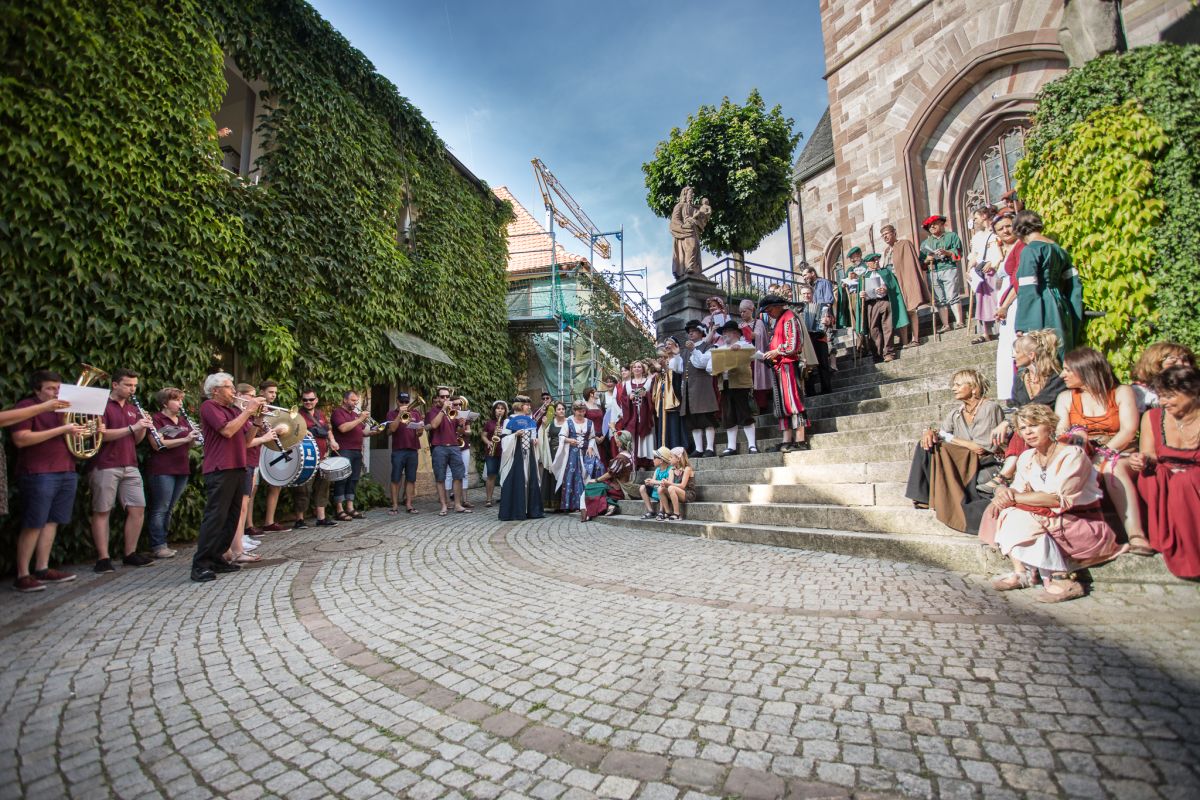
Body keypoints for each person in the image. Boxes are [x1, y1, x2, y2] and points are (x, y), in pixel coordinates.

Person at [980, 403, 1125, 602]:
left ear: (1049, 425)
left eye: (1034, 425)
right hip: (1046, 516)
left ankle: (1059, 577)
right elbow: (1019, 489)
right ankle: (1022, 571)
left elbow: (1058, 499)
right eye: (1023, 428)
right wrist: (1004, 493)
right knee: (1001, 509)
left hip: (1077, 521)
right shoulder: (1026, 457)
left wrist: (1012, 497)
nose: (1028, 432)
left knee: (1017, 512)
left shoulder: (1072, 455)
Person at [1054, 347, 1150, 554]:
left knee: (1112, 469)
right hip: (1082, 449)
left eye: (1068, 370)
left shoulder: (1121, 392)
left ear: (1086, 370)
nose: (1062, 375)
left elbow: (1128, 430)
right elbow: (1060, 432)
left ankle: (1136, 535)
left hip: (1120, 449)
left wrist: (1103, 452)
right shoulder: (1066, 398)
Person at [7, 371, 82, 592]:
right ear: (37, 390)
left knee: (52, 522)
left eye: (58, 388)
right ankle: (23, 574)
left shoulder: (64, 410)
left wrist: (78, 433)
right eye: (50, 388)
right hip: (38, 472)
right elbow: (21, 439)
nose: (56, 392)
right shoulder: (26, 406)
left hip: (66, 469)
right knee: (34, 523)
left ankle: (42, 568)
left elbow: (71, 435)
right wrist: (63, 429)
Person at [905, 369, 1005, 532]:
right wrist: (929, 432)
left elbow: (981, 448)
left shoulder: (989, 408)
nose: (953, 388)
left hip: (984, 464)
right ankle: (922, 497)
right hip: (962, 462)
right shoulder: (956, 414)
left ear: (974, 388)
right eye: (954, 385)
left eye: (958, 384)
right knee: (927, 443)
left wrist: (947, 437)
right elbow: (941, 433)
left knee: (942, 446)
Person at [191, 373, 264, 583]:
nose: (233, 391)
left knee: (231, 517)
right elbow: (227, 431)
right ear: (215, 391)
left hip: (239, 465)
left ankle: (218, 557)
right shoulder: (209, 407)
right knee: (216, 516)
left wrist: (257, 420)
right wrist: (248, 410)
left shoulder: (234, 409)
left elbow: (248, 439)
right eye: (229, 387)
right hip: (220, 467)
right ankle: (200, 564)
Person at [1133, 366, 1200, 578]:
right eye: (1161, 396)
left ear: (1193, 392)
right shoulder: (1153, 417)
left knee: (1185, 483)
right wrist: (1141, 459)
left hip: (1195, 478)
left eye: (1170, 396)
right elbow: (1149, 453)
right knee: (1152, 476)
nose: (1164, 402)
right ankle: (1164, 538)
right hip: (1166, 476)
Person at [984, 329, 1067, 492]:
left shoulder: (1056, 378)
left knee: (1025, 427)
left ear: (1031, 355)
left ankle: (1006, 474)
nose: (1013, 356)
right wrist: (1005, 422)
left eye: (1017, 352)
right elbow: (1014, 406)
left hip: (1050, 427)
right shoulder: (1021, 378)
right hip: (1026, 427)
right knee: (1023, 427)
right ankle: (1010, 473)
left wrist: (1010, 421)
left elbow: (1039, 408)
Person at [89, 368, 155, 572]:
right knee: (102, 510)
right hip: (105, 463)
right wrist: (132, 428)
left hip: (130, 464)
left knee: (138, 508)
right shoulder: (100, 406)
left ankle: (130, 553)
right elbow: (100, 436)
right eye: (128, 385)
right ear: (115, 384)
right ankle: (103, 558)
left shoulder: (133, 408)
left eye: (135, 385)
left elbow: (136, 440)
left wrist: (143, 426)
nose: (132, 389)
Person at [1012, 210, 1083, 356]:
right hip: (1062, 306)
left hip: (1043, 308)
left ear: (1019, 231)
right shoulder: (1060, 250)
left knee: (1045, 356)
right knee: (1062, 351)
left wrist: (1023, 324)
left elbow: (1028, 290)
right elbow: (1074, 286)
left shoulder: (1030, 251)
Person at [145, 387, 199, 559]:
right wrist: (184, 438)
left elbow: (188, 445)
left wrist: (193, 439)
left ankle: (164, 542)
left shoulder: (183, 420)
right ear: (165, 402)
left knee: (169, 508)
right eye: (176, 400)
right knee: (160, 507)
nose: (180, 403)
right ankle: (158, 545)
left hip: (181, 467)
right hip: (162, 468)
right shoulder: (157, 419)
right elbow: (157, 444)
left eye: (181, 400)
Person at [759, 295, 816, 452]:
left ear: (778, 306)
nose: (768, 313)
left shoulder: (789, 316)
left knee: (794, 402)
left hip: (789, 365)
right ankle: (786, 440)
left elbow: (794, 344)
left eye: (769, 310)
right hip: (780, 366)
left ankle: (800, 439)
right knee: (782, 405)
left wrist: (776, 351)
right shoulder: (779, 320)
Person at [697, 319, 759, 456]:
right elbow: (709, 367)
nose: (725, 335)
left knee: (745, 415)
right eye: (723, 333)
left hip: (741, 385)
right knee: (728, 417)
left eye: (727, 332)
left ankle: (752, 445)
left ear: (736, 333)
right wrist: (718, 368)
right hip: (725, 386)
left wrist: (739, 350)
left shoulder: (745, 345)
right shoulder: (719, 349)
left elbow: (754, 354)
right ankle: (731, 447)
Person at [988, 211, 1023, 401]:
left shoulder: (1020, 247)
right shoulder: (1005, 250)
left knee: (1014, 345)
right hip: (1005, 299)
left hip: (1014, 300)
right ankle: (1011, 392)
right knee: (1007, 346)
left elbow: (1018, 280)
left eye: (1008, 226)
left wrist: (1005, 306)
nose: (1005, 230)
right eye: (1001, 229)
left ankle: (1018, 391)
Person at [880, 224, 932, 348]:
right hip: (894, 285)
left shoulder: (905, 244)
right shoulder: (886, 251)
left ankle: (915, 338)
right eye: (882, 235)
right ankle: (904, 341)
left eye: (887, 233)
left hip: (906, 280)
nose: (885, 237)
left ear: (894, 232)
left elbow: (911, 264)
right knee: (900, 311)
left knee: (911, 310)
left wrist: (911, 281)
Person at [332, 391, 381, 521]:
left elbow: (362, 432)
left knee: (353, 479)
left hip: (356, 451)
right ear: (344, 400)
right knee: (341, 479)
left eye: (356, 401)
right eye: (353, 400)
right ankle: (339, 509)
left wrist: (373, 432)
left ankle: (350, 507)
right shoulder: (338, 413)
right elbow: (343, 428)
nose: (355, 403)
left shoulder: (354, 415)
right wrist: (360, 418)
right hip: (343, 451)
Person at [294, 389, 338, 528]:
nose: (308, 402)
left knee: (323, 486)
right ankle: (299, 519)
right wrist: (302, 431)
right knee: (303, 488)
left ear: (316, 400)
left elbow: (328, 429)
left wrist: (332, 440)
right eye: (305, 400)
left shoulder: (320, 414)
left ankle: (321, 518)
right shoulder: (297, 415)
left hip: (323, 456)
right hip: (307, 457)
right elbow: (291, 431)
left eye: (311, 399)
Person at [553, 401, 602, 516]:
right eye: (579, 411)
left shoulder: (590, 423)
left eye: (583, 411)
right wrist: (570, 440)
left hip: (586, 453)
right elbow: (561, 436)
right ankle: (572, 504)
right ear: (574, 411)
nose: (582, 413)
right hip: (573, 454)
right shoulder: (568, 422)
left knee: (587, 474)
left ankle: (587, 503)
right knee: (573, 476)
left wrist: (590, 447)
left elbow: (592, 437)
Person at [498, 396, 543, 521]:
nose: (529, 407)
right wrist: (514, 435)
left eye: (529, 405)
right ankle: (516, 511)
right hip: (515, 455)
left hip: (529, 455)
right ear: (519, 405)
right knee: (517, 480)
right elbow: (504, 440)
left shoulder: (530, 420)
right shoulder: (509, 420)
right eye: (526, 405)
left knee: (530, 479)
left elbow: (533, 434)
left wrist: (535, 440)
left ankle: (532, 511)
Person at [855, 253, 907, 363]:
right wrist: (861, 295)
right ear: (867, 263)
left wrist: (886, 289)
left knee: (888, 328)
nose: (876, 262)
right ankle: (877, 354)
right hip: (871, 304)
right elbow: (860, 294)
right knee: (873, 329)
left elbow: (893, 286)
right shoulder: (864, 277)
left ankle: (889, 353)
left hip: (885, 301)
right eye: (873, 261)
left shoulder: (885, 272)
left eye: (877, 260)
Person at [427, 387, 470, 516]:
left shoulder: (454, 412)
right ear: (437, 398)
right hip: (439, 446)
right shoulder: (433, 411)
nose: (445, 399)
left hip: (454, 446)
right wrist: (443, 410)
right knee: (440, 477)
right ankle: (444, 505)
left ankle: (457, 504)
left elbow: (460, 431)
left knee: (458, 475)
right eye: (442, 397)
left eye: (447, 397)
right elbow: (433, 425)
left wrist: (462, 424)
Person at [966, 205, 1005, 344]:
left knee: (997, 300)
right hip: (981, 273)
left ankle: (1002, 330)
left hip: (994, 270)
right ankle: (985, 333)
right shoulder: (977, 236)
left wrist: (993, 264)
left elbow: (1000, 252)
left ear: (984, 216)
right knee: (982, 302)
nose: (974, 221)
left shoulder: (996, 232)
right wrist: (969, 266)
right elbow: (975, 254)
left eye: (976, 218)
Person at [919, 214, 964, 333]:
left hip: (948, 268)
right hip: (933, 272)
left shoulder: (951, 236)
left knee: (952, 296)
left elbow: (959, 252)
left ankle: (959, 321)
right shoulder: (925, 244)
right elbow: (921, 262)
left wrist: (947, 252)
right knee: (939, 300)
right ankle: (946, 324)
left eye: (934, 223)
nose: (932, 226)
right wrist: (927, 259)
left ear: (941, 224)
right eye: (929, 225)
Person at [679, 320, 719, 457]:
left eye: (694, 331)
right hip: (689, 390)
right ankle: (699, 449)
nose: (690, 333)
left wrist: (693, 350)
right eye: (689, 331)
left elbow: (702, 364)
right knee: (693, 422)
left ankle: (710, 448)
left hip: (703, 388)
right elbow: (680, 369)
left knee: (706, 419)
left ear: (701, 332)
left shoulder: (709, 347)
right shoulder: (685, 351)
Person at [254, 380, 289, 533]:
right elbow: (254, 430)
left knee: (276, 484)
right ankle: (249, 526)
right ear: (261, 392)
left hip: (271, 450)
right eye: (270, 392)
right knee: (252, 488)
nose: (274, 395)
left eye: (275, 392)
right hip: (257, 449)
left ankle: (269, 522)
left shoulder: (275, 409)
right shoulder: (253, 406)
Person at [385, 392, 424, 514]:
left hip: (412, 449)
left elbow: (419, 433)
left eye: (406, 402)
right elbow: (391, 429)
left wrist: (419, 429)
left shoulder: (416, 413)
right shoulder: (391, 413)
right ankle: (395, 505)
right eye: (402, 401)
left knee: (411, 478)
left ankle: (409, 504)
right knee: (396, 478)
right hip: (398, 450)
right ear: (397, 401)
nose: (404, 404)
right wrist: (400, 416)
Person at [1130, 342, 1195, 414]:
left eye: (1185, 359)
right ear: (1155, 364)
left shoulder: (1195, 387)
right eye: (1173, 360)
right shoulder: (1140, 392)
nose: (1180, 364)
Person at [585, 430, 635, 520]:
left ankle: (597, 510)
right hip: (623, 484)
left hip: (619, 488)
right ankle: (610, 504)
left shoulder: (621, 458)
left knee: (591, 487)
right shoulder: (630, 454)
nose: (616, 442)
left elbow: (610, 474)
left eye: (617, 441)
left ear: (620, 442)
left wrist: (596, 480)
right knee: (598, 487)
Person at [616, 360, 656, 468]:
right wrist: (629, 398)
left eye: (639, 367)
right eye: (635, 367)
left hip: (644, 415)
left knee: (645, 437)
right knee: (632, 437)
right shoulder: (628, 384)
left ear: (643, 369)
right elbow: (623, 399)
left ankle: (645, 463)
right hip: (632, 415)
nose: (637, 369)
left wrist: (646, 395)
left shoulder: (648, 382)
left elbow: (654, 397)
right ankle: (634, 463)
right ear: (632, 370)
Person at [798, 284, 834, 395]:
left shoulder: (822, 306)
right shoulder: (798, 309)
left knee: (823, 364)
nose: (806, 295)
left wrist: (828, 321)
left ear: (812, 294)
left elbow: (831, 320)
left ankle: (826, 389)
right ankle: (810, 391)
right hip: (806, 339)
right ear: (801, 295)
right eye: (804, 293)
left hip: (820, 337)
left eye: (808, 293)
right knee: (808, 365)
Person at [669, 187, 712, 278]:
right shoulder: (679, 206)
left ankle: (694, 270)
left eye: (693, 194)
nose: (692, 195)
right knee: (691, 247)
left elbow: (702, 220)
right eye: (690, 193)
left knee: (695, 249)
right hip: (686, 230)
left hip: (694, 230)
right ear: (685, 194)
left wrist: (704, 215)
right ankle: (688, 268)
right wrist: (683, 226)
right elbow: (674, 221)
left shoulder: (694, 208)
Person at [738, 299, 773, 409]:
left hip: (756, 357)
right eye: (740, 312)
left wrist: (745, 329)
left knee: (758, 381)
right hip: (745, 358)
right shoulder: (741, 325)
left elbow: (757, 336)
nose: (742, 314)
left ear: (751, 310)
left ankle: (762, 405)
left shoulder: (758, 322)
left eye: (744, 311)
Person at [651, 341, 685, 450]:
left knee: (673, 423)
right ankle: (664, 448)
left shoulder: (677, 360)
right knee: (663, 424)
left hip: (672, 397)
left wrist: (664, 367)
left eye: (670, 344)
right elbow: (662, 380)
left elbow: (676, 376)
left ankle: (675, 447)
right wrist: (659, 371)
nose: (667, 346)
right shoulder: (665, 364)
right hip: (663, 397)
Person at [539, 402, 567, 512]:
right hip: (552, 452)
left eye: (563, 409)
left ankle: (564, 503)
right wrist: (543, 425)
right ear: (555, 411)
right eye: (559, 409)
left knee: (563, 475)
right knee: (552, 475)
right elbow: (544, 435)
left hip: (564, 451)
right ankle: (553, 504)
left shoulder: (568, 422)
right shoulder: (552, 423)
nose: (561, 411)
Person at [660, 447, 696, 521]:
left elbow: (682, 486)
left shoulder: (687, 469)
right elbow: (669, 484)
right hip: (678, 492)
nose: (669, 458)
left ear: (678, 459)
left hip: (688, 494)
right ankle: (668, 512)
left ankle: (677, 514)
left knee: (671, 488)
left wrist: (669, 484)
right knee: (661, 489)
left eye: (671, 457)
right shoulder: (672, 469)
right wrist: (665, 483)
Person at [638, 447, 672, 520]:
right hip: (655, 492)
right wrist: (649, 482)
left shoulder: (670, 469)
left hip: (664, 493)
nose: (653, 460)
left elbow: (668, 483)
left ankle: (661, 511)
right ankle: (651, 511)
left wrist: (655, 482)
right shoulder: (657, 470)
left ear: (661, 460)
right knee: (642, 488)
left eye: (655, 458)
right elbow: (653, 482)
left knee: (661, 488)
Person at [582, 388, 608, 469]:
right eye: (596, 392)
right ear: (591, 394)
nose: (598, 393)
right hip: (589, 437)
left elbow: (605, 421)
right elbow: (583, 422)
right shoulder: (584, 406)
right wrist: (594, 437)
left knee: (603, 458)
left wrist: (603, 436)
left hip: (602, 437)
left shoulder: (600, 407)